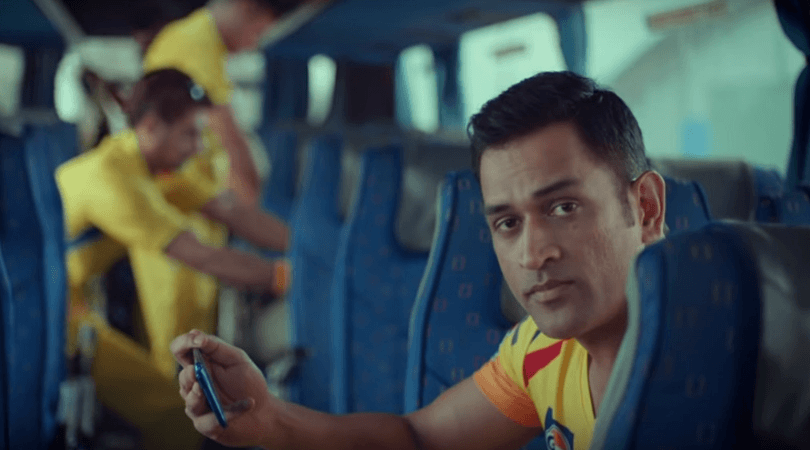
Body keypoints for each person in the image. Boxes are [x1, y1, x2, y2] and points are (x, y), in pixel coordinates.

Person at [170, 71, 668, 450]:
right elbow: (420, 437)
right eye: (507, 223)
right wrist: (269, 418)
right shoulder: (538, 351)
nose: (534, 254)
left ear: (645, 208)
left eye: (564, 208)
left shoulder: (707, 357)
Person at [56, 69, 291, 450]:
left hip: (73, 305)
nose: (198, 149)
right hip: (54, 315)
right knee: (172, 410)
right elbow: (204, 257)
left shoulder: (150, 166)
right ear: (151, 126)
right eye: (189, 134)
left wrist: (310, 250)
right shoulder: (112, 178)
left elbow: (229, 211)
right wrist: (287, 278)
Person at [142, 0, 315, 207]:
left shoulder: (199, 43)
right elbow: (227, 146)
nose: (253, 45)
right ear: (245, 7)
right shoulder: (194, 46)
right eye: (258, 33)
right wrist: (250, 212)